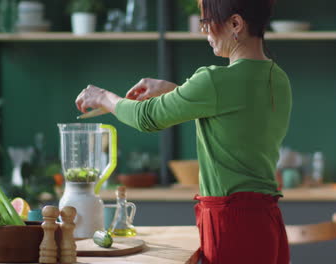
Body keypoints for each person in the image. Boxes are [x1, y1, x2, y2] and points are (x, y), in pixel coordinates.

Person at [75, 0, 292, 263]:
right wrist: (175, 91)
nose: (205, 32)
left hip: (232, 225)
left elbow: (147, 118)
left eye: (207, 23)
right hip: (266, 223)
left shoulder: (214, 81)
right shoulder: (278, 78)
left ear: (236, 24)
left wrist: (103, 97)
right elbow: (231, 115)